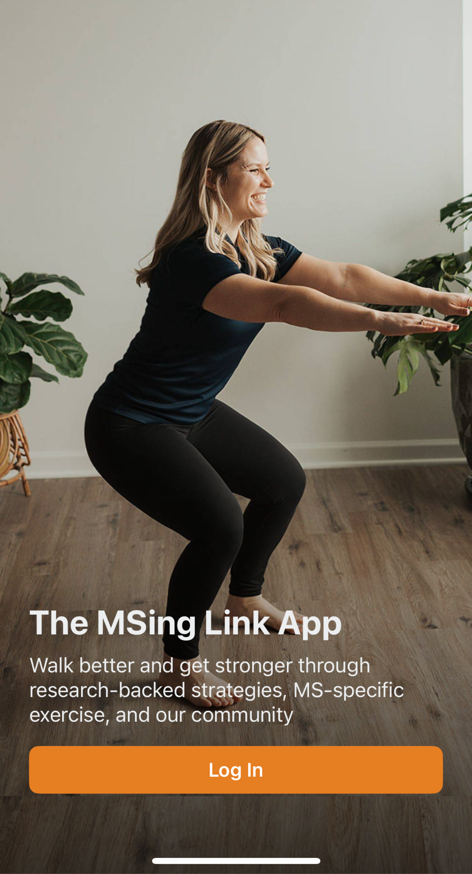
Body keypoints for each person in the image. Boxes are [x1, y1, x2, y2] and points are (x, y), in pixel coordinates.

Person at [84, 120, 470, 708]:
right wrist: (378, 321)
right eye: (254, 168)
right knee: (219, 528)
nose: (268, 178)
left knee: (282, 482)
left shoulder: (256, 248)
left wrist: (430, 296)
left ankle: (244, 598)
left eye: (268, 165)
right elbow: (288, 305)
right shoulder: (194, 261)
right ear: (215, 179)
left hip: (193, 412)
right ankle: (179, 666)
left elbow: (344, 277)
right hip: (130, 423)